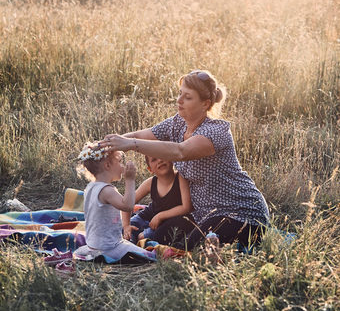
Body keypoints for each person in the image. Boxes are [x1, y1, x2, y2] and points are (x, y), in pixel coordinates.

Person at [98, 70, 270, 251]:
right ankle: (213, 245)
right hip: (200, 214)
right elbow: (142, 135)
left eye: (187, 97)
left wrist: (129, 144)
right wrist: (107, 145)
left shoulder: (216, 132)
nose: (179, 100)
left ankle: (218, 250)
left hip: (241, 213)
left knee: (187, 247)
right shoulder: (177, 123)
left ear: (205, 104)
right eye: (180, 94)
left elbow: (180, 151)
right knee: (162, 236)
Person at [73, 142, 155, 263]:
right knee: (149, 255)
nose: (122, 167)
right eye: (120, 162)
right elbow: (127, 206)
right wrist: (130, 180)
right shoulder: (107, 191)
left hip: (93, 245)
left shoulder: (91, 187)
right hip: (110, 247)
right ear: (107, 165)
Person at [122, 156, 192, 244]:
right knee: (125, 230)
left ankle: (141, 242)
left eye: (161, 155)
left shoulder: (180, 178)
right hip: (146, 217)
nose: (160, 160)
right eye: (154, 160)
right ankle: (130, 246)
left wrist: (160, 216)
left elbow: (187, 207)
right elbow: (127, 204)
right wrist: (126, 225)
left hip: (166, 223)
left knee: (148, 237)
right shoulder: (150, 182)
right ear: (150, 169)